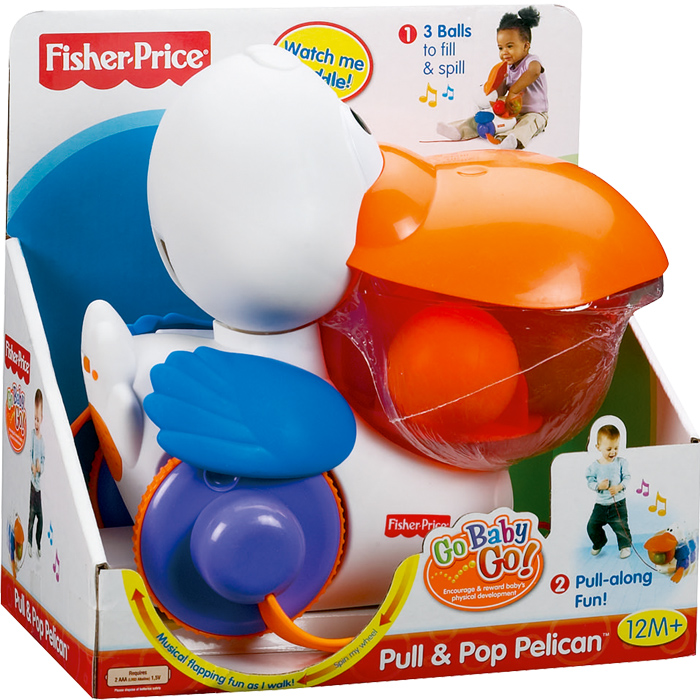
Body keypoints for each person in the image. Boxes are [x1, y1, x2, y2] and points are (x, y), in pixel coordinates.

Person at [437, 6, 548, 149]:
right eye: (500, 48)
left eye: (509, 46)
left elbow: (534, 72)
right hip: (511, 113)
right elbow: (500, 93)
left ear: (526, 46)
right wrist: (494, 87)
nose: (504, 52)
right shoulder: (507, 68)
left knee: (527, 124)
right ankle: (458, 130)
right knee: (484, 118)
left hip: (535, 113)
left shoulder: (531, 61)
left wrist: (514, 90)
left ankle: (512, 140)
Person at [585, 424, 632, 559]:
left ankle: (625, 546)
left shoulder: (621, 462)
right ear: (598, 447)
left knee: (621, 527)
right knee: (592, 526)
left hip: (618, 503)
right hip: (600, 505)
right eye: (609, 449)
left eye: (616, 448)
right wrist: (599, 486)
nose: (613, 452)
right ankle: (599, 542)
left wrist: (619, 487)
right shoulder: (594, 467)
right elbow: (589, 481)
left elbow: (627, 477)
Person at [27, 388, 45, 559]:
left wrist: (40, 467)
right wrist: (33, 466)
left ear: (42, 419)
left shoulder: (42, 441)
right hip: (33, 483)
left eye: (38, 419)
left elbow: (43, 460)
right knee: (32, 515)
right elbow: (29, 453)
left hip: (38, 486)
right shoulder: (32, 435)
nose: (36, 423)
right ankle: (29, 543)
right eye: (34, 419)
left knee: (40, 518)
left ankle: (38, 544)